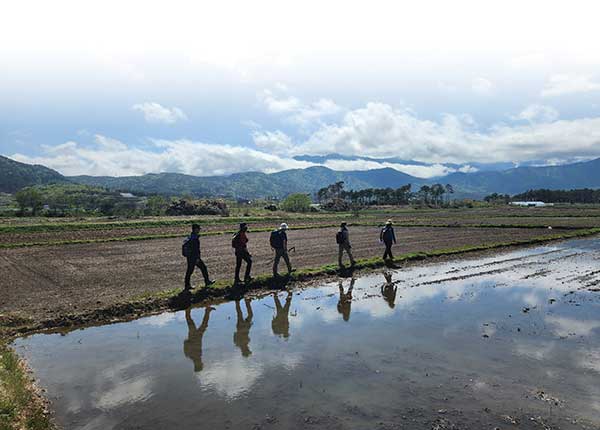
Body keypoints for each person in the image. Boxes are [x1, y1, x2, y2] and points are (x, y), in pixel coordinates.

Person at [183, 306, 215, 372]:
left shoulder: (193, 357)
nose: (202, 363)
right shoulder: (195, 357)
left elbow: (186, 346)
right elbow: (187, 346)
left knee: (191, 322)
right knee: (202, 324)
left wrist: (190, 341)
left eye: (201, 364)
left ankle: (187, 309)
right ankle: (206, 311)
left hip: (194, 337)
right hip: (197, 337)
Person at [183, 224, 215, 290]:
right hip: (194, 257)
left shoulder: (190, 237)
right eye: (198, 229)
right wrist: (197, 258)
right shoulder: (194, 238)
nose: (199, 230)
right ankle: (207, 282)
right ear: (195, 229)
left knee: (189, 271)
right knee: (202, 268)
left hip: (189, 257)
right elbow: (196, 250)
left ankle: (187, 285)